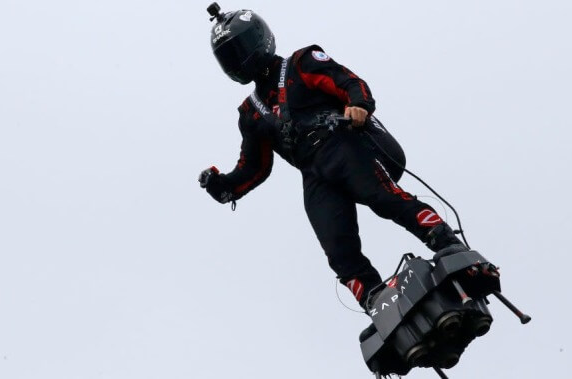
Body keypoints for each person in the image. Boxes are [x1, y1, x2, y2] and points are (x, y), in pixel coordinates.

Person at [198, 3, 468, 311]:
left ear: (260, 38)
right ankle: (377, 302)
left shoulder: (302, 62)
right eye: (230, 55)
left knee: (384, 199)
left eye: (241, 48)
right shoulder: (250, 114)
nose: (240, 58)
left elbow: (349, 83)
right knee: (337, 248)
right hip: (314, 175)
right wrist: (222, 186)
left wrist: (359, 106)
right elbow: (254, 168)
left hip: (342, 144)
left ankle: (446, 243)